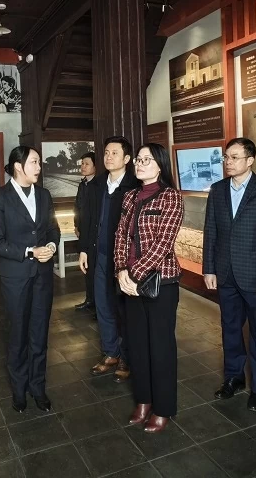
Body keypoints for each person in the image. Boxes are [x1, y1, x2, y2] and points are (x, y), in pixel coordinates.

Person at [202, 137, 256, 411]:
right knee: (230, 330)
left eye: (235, 157)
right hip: (225, 274)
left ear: (250, 161)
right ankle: (234, 378)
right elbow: (211, 233)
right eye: (226, 157)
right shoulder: (217, 190)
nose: (228, 162)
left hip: (255, 277)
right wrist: (209, 269)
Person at [114, 143, 183, 433]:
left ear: (160, 165)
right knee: (138, 346)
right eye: (138, 159)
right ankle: (143, 401)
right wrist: (120, 271)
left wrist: (135, 274)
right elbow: (120, 235)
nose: (140, 164)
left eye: (147, 160)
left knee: (160, 347)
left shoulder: (171, 197)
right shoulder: (129, 196)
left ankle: (163, 408)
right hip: (129, 283)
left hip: (160, 283)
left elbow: (163, 244)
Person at [0, 146, 60, 413]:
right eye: (34, 162)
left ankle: (37, 387)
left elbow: (53, 229)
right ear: (18, 166)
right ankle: (19, 391)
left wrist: (50, 247)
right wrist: (29, 252)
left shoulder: (44, 195)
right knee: (18, 334)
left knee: (39, 333)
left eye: (38, 162)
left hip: (42, 277)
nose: (39, 167)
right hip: (15, 277)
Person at [80, 137, 140, 383]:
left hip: (124, 260)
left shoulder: (134, 186)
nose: (108, 157)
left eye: (114, 153)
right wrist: (84, 249)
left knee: (123, 309)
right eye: (106, 152)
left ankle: (127, 357)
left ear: (126, 159)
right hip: (99, 254)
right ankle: (110, 353)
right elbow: (87, 218)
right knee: (103, 306)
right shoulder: (97, 184)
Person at [73, 151, 97, 311]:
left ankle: (97, 304)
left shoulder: (98, 185)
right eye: (82, 163)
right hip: (82, 231)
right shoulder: (83, 184)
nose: (83, 166)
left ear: (95, 166)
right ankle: (89, 299)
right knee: (86, 268)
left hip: (93, 233)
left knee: (94, 269)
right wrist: (76, 225)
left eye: (86, 163)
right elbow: (78, 206)